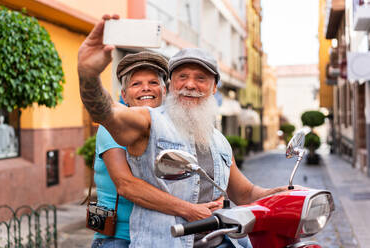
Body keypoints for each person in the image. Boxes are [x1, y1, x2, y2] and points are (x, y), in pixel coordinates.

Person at [78, 14, 286, 248]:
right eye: (182, 77)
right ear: (172, 84)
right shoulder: (149, 121)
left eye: (201, 78)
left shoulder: (218, 139)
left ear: (214, 87)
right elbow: (106, 115)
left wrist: (279, 194)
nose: (190, 84)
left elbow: (244, 192)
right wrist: (88, 75)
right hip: (129, 235)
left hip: (219, 240)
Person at [91, 51, 223, 248]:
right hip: (120, 238)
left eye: (153, 82)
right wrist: (191, 210)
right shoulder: (115, 126)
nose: (146, 88)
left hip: (163, 237)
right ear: (124, 95)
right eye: (136, 84)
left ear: (164, 90)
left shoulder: (171, 127)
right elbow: (126, 185)